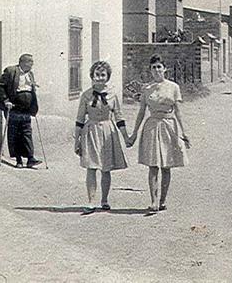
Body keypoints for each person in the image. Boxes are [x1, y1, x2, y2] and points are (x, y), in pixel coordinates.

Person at [128, 54, 190, 213]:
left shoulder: (173, 87)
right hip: (152, 127)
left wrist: (184, 132)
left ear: (164, 69)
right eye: (153, 67)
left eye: (159, 67)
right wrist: (134, 133)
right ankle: (154, 201)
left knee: (166, 166)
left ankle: (163, 200)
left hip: (169, 126)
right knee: (153, 166)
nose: (156, 70)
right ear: (150, 70)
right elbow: (141, 112)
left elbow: (178, 111)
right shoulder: (147, 89)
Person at [74, 61, 129, 213]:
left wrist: (126, 137)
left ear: (107, 77)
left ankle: (104, 200)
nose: (100, 78)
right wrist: (77, 140)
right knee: (91, 168)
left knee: (106, 169)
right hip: (91, 132)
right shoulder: (86, 95)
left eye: (103, 75)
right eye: (97, 75)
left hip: (107, 132)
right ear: (92, 76)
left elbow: (119, 116)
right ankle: (91, 201)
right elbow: (79, 119)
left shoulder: (113, 94)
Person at [0, 54, 42, 168]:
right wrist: (6, 100)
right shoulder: (11, 71)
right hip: (14, 107)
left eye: (32, 62)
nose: (32, 65)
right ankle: (18, 160)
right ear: (22, 62)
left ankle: (31, 158)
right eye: (30, 62)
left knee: (27, 132)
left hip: (26, 108)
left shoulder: (30, 74)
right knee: (15, 134)